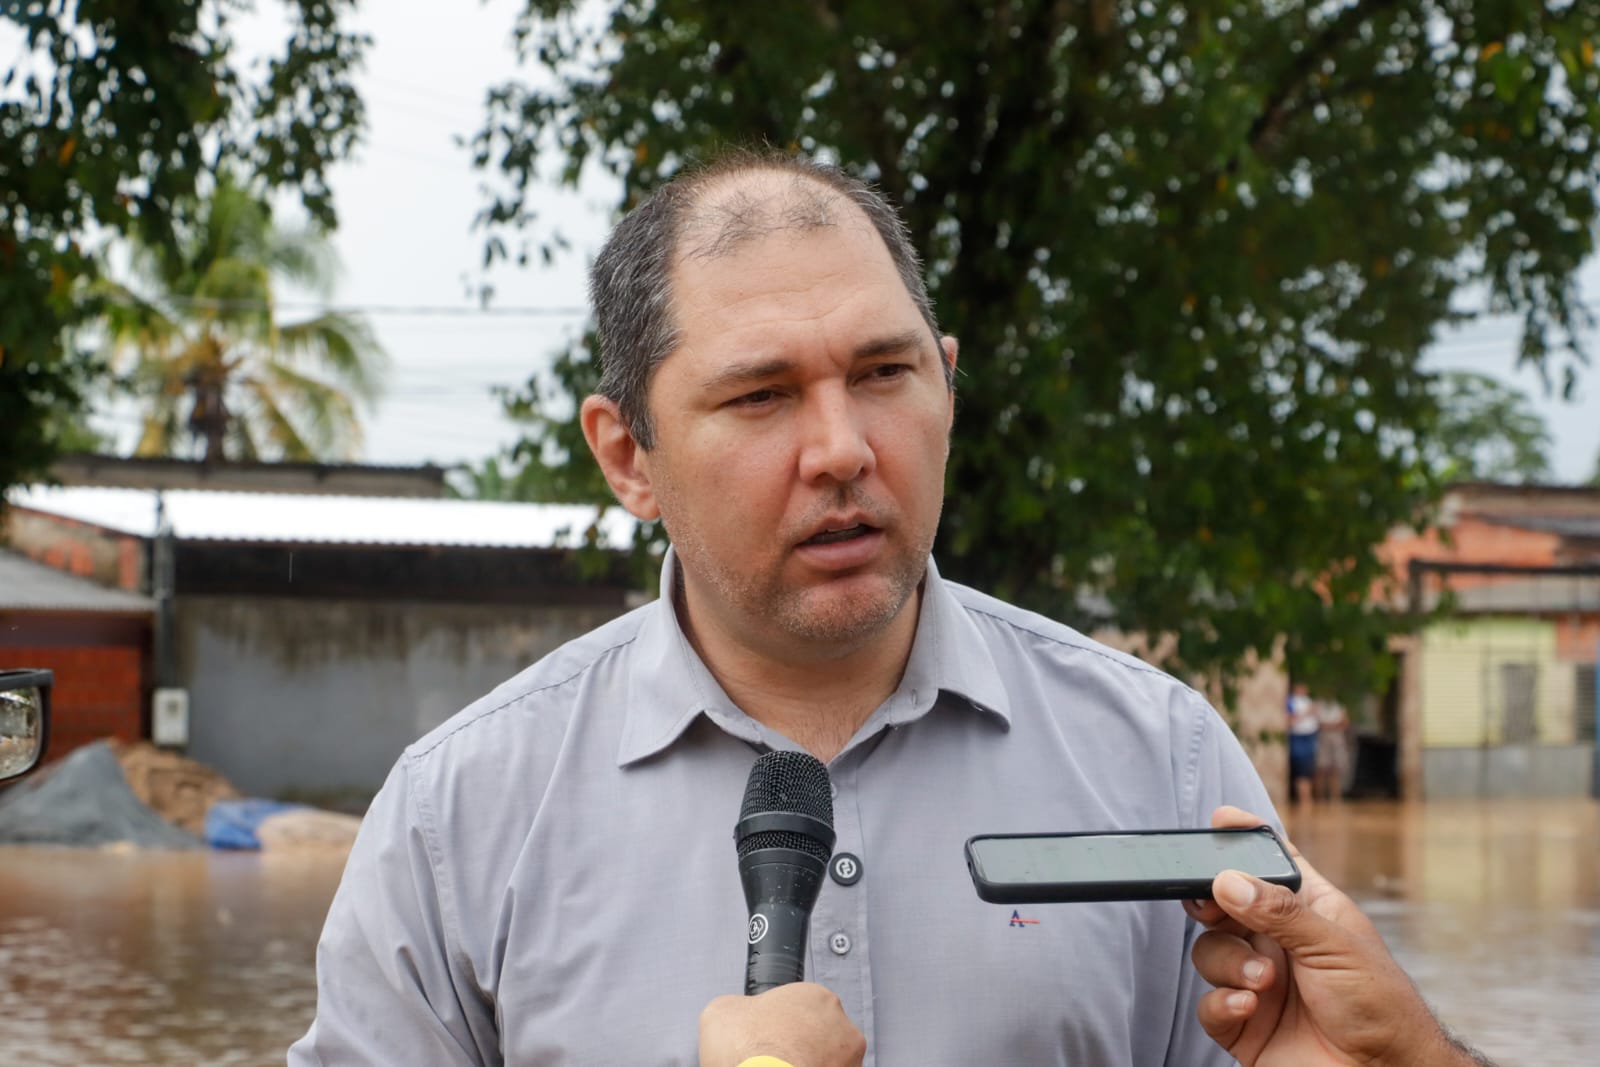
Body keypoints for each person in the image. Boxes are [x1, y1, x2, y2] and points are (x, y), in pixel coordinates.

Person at [288, 151, 1281, 1064]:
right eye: (761, 395)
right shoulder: (459, 815)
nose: (843, 448)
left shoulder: (1157, 758)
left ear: (947, 383)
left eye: (884, 373)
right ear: (628, 456)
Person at [1286, 681, 1320, 806]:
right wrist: (1306, 712)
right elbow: (1290, 720)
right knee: (1300, 767)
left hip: (1310, 736)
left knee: (1309, 767)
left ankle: (1309, 797)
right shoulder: (1291, 701)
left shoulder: (1308, 701)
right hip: (1298, 736)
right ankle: (1304, 798)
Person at [1314, 697, 1350, 802]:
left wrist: (1328, 726)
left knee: (1335, 770)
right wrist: (1334, 725)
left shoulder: (1339, 706)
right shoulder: (1318, 705)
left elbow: (1345, 723)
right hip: (1322, 740)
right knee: (1321, 770)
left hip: (1336, 741)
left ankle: (1336, 797)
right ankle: (1320, 798)